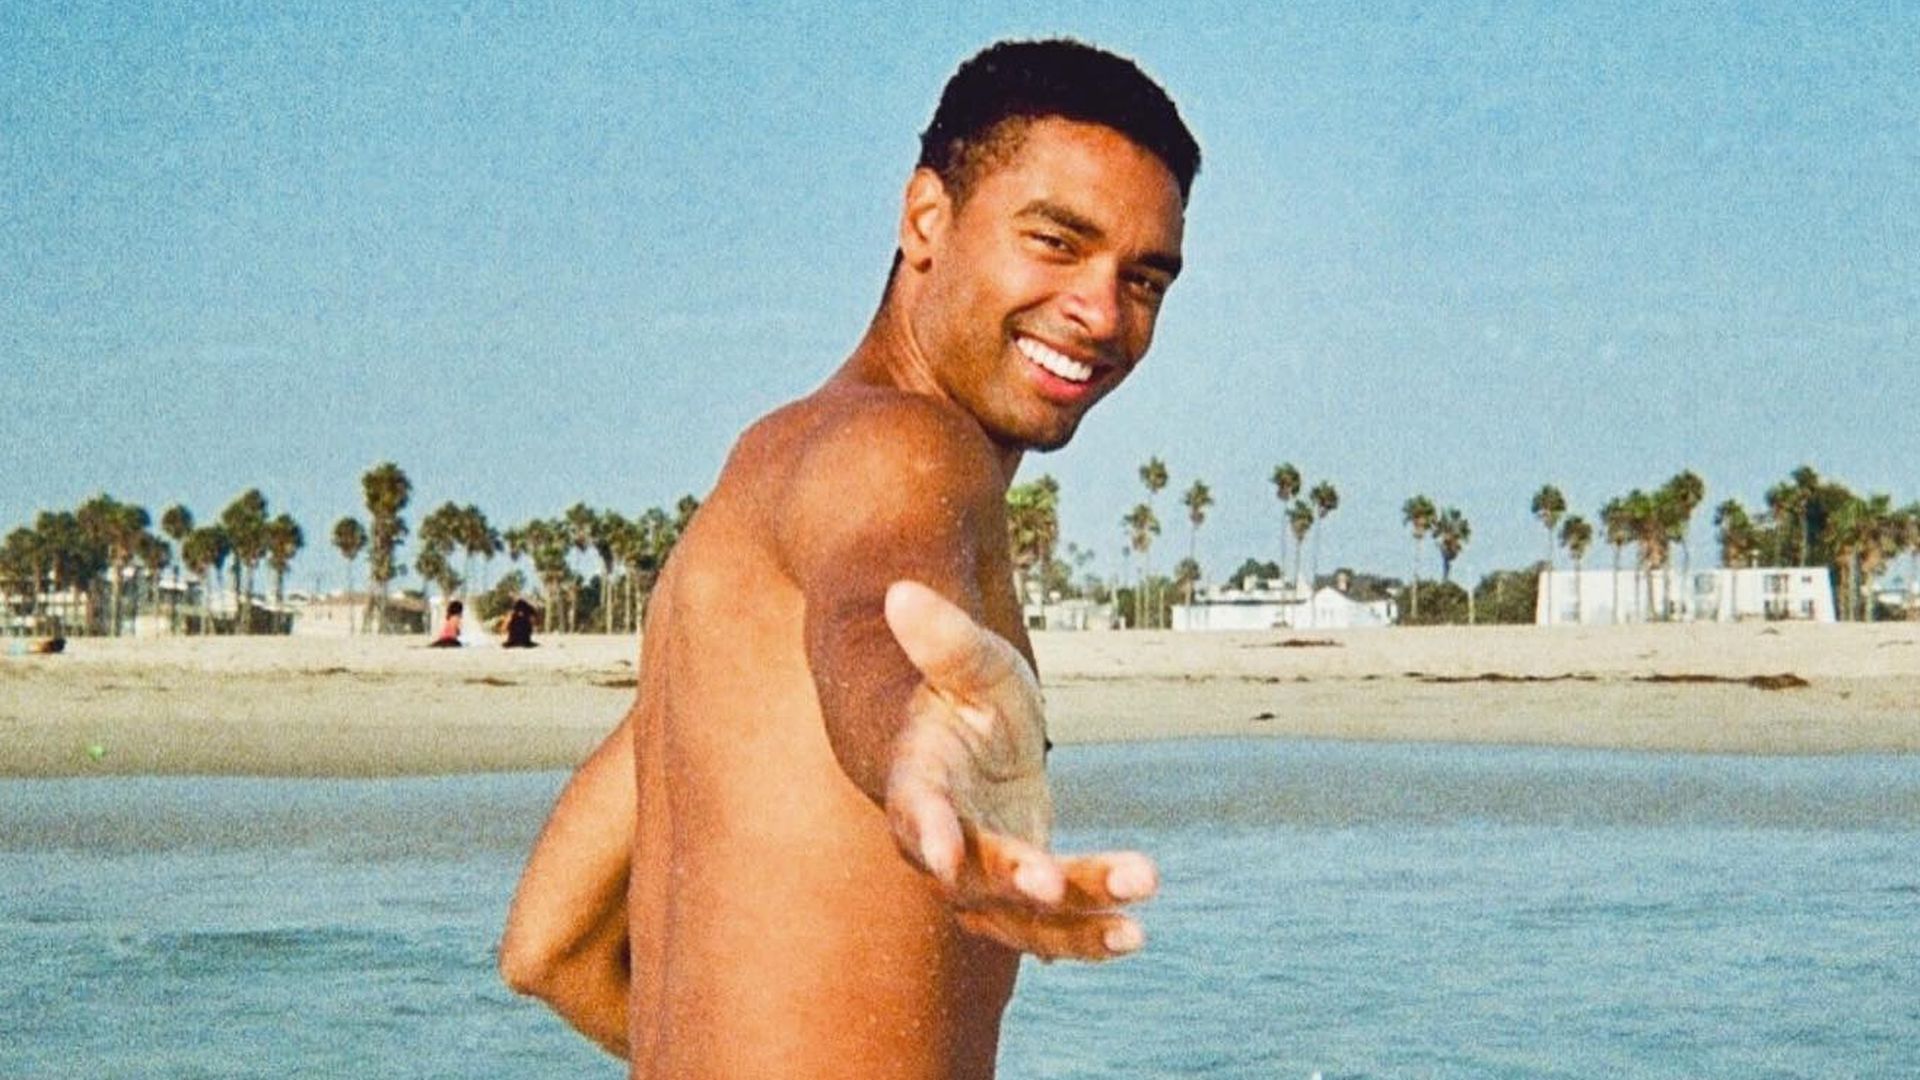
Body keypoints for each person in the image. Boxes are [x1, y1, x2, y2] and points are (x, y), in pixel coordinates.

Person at [500, 38, 1199, 1078]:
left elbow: (551, 948)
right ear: (926, 220)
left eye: (1143, 279)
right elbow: (872, 620)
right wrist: (914, 740)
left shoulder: (761, 483)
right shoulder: (902, 448)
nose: (1102, 313)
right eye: (1056, 243)